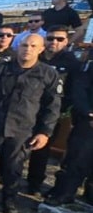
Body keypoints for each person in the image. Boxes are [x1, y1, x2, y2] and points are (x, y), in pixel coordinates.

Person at [0, 34, 61, 213]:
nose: (27, 49)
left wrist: (44, 132)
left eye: (32, 46)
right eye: (24, 45)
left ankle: (9, 198)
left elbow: (52, 107)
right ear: (17, 47)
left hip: (23, 129)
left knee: (13, 166)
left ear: (41, 49)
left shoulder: (48, 74)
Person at [25, 26, 80, 194]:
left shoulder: (72, 62)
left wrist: (64, 110)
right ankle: (3, 173)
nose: (54, 42)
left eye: (60, 39)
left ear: (67, 40)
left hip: (52, 113)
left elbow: (73, 89)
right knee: (16, 145)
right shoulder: (36, 57)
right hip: (27, 109)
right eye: (50, 38)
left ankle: (34, 183)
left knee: (41, 150)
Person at [44, 56, 93, 205]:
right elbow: (79, 90)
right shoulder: (89, 66)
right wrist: (88, 112)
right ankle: (64, 193)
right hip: (89, 121)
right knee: (77, 159)